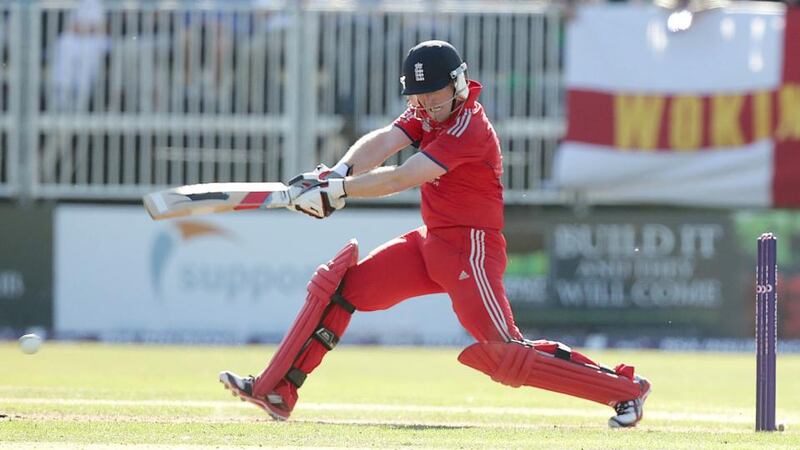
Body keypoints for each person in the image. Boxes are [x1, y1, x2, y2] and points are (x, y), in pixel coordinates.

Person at [219, 40, 651, 428]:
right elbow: (386, 140)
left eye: (435, 94)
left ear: (459, 84)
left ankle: (627, 391)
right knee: (341, 289)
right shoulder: (427, 111)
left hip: (471, 252)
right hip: (433, 244)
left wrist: (339, 191)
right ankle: (276, 389)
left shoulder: (470, 129)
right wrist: (338, 172)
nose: (426, 104)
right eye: (418, 97)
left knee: (504, 353)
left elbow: (404, 177)